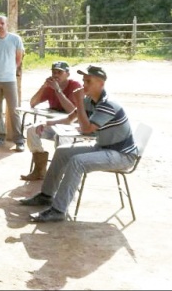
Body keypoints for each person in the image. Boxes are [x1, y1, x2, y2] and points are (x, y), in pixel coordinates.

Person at [19, 65, 138, 222]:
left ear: (101, 84)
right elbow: (70, 119)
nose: (84, 85)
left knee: (77, 162)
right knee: (62, 151)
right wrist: (46, 123)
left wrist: (79, 102)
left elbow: (87, 129)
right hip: (103, 148)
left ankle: (58, 210)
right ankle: (46, 195)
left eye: (88, 81)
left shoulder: (108, 104)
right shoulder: (90, 100)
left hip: (122, 155)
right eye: (84, 81)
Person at [21, 61, 82, 181]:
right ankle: (39, 169)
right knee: (31, 130)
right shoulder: (50, 87)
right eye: (54, 72)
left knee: (62, 139)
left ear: (67, 74)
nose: (56, 75)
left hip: (70, 124)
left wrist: (58, 91)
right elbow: (33, 103)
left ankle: (60, 173)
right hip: (53, 123)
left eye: (59, 72)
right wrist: (43, 87)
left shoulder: (75, 85)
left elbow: (72, 111)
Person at [0, 15, 26, 151]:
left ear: (7, 24)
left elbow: (19, 58)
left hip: (10, 80)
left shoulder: (16, 39)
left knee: (14, 110)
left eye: (2, 23)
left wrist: (10, 70)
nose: (0, 26)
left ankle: (19, 139)